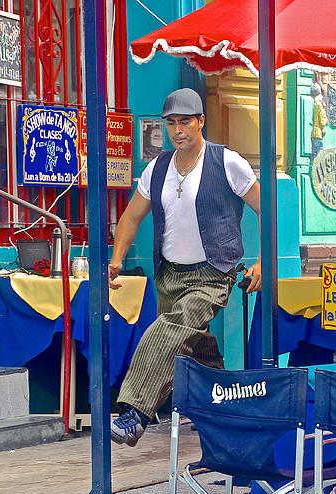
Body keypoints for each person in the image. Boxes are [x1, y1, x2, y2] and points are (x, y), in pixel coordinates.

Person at [108, 87, 262, 446]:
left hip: (212, 272)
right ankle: (229, 406)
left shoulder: (227, 161)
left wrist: (263, 263)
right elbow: (131, 217)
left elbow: (265, 207)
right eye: (172, 123)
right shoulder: (157, 168)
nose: (178, 130)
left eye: (185, 122)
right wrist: (116, 259)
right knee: (192, 344)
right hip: (170, 275)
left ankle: (135, 414)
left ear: (200, 122)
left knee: (167, 330)